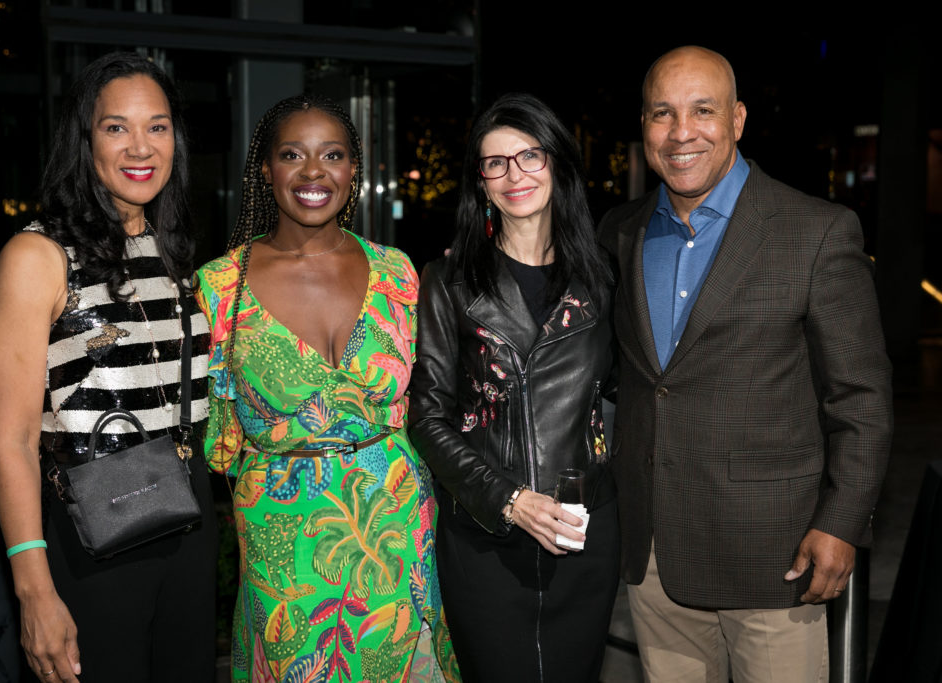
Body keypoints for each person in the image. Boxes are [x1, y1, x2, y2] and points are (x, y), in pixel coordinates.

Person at [598, 46, 893, 682]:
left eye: (702, 110)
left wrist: (840, 526)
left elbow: (860, 398)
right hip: (655, 558)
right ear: (643, 126)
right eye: (662, 113)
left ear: (737, 120)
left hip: (776, 556)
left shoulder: (815, 231)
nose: (681, 133)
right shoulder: (618, 233)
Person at [195, 94, 461, 683]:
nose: (314, 171)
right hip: (285, 543)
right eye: (293, 154)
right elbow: (218, 442)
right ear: (267, 171)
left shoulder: (400, 273)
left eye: (332, 155)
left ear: (353, 171)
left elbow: (435, 400)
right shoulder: (217, 287)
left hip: (401, 528)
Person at [0, 53, 215, 683]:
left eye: (158, 127)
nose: (140, 146)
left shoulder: (175, 254)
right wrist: (33, 590)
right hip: (95, 536)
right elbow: (14, 440)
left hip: (189, 527)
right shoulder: (38, 255)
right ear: (84, 141)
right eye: (116, 127)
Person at [408, 92, 620, 683]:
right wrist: (509, 499)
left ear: (558, 164)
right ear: (481, 182)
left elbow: (626, 391)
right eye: (495, 162)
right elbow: (425, 416)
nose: (514, 174)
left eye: (530, 156)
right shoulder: (447, 281)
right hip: (485, 535)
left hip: (585, 534)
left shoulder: (602, 275)